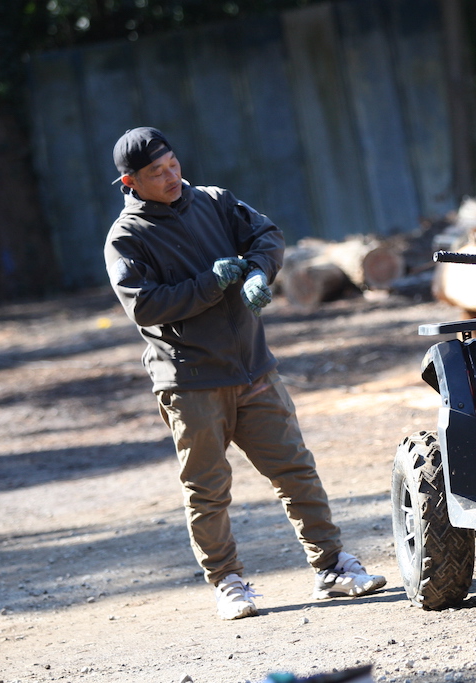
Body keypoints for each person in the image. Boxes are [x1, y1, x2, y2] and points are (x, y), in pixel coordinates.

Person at [103, 127, 385, 620]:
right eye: (157, 173)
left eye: (173, 164)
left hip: (253, 368)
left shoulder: (212, 201)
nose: (172, 177)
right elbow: (144, 305)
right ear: (130, 181)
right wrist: (210, 284)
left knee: (296, 470)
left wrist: (258, 270)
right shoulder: (126, 237)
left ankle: (333, 566)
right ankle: (228, 582)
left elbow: (266, 235)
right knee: (208, 489)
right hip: (190, 381)